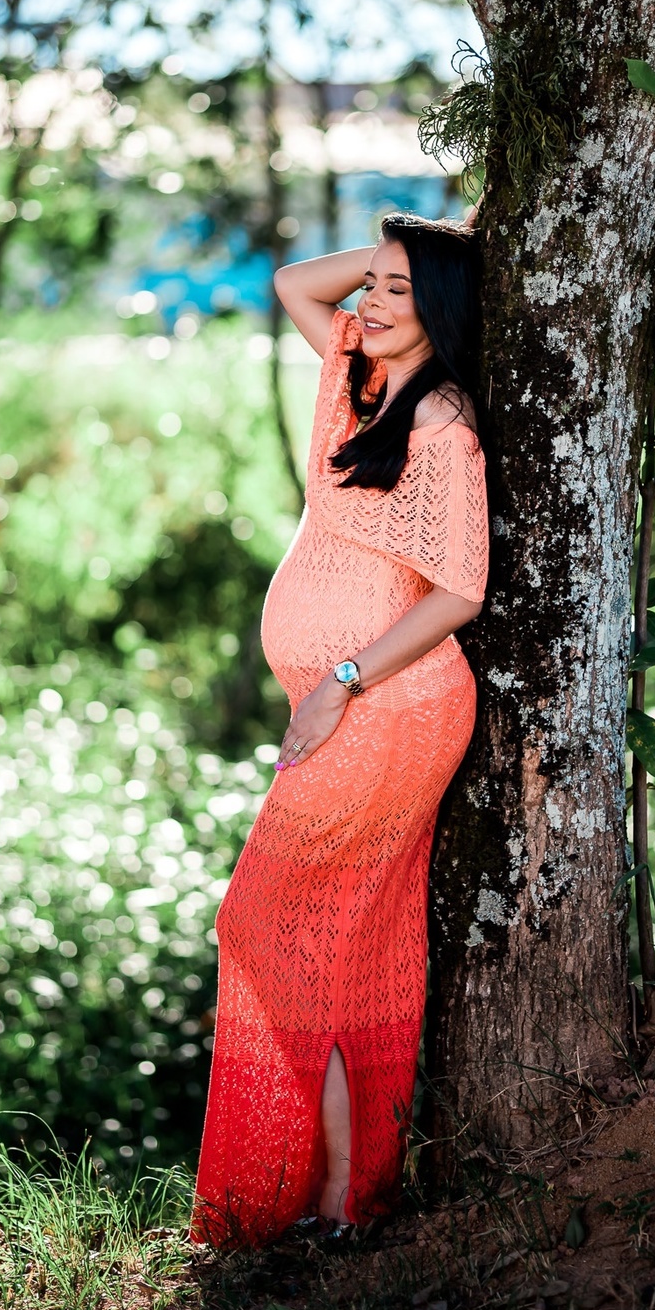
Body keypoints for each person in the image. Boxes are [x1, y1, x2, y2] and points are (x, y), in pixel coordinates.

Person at [189, 210, 489, 1249]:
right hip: (357, 707)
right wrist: (395, 256)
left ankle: (319, 1202)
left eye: (403, 291)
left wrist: (343, 680)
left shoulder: (445, 425)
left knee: (266, 928)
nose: (371, 301)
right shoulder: (359, 375)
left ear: (442, 310)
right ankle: (336, 1211)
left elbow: (458, 591)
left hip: (390, 708)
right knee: (345, 951)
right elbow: (290, 283)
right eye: (376, 284)